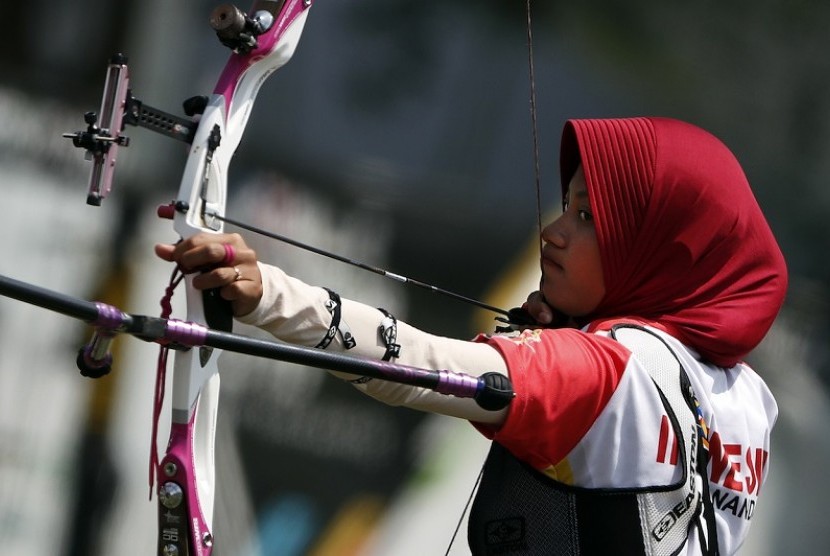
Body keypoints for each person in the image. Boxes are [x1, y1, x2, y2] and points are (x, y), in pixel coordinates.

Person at [155, 117, 787, 555]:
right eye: (567, 206)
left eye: (590, 218)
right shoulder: (743, 398)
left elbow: (421, 366)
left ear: (663, 248)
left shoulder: (604, 373)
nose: (556, 233)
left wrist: (267, 294)